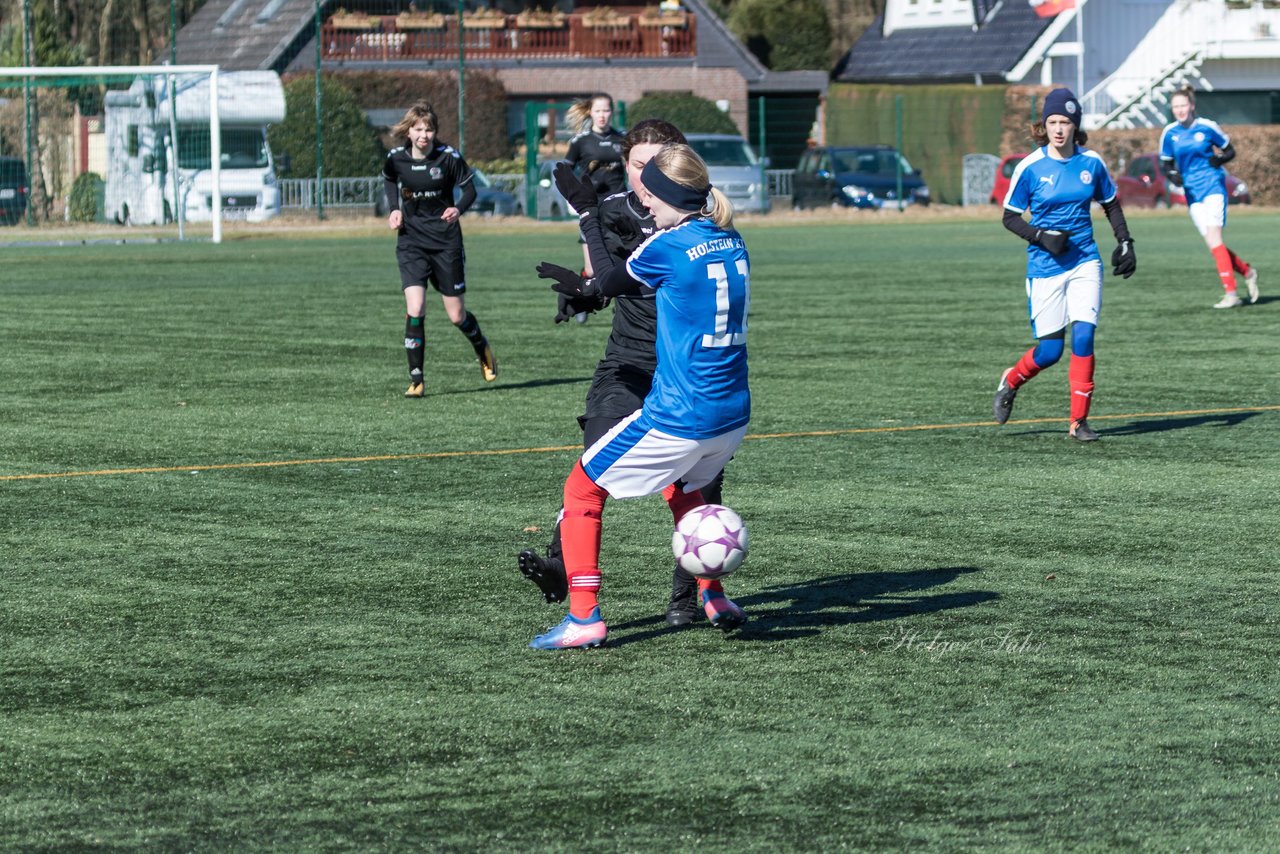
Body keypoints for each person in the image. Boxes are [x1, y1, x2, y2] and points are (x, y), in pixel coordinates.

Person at [527, 143, 751, 649]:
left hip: (682, 412)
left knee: (581, 489)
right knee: (686, 492)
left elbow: (608, 279)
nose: (645, 202)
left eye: (652, 193)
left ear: (672, 194)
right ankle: (712, 594)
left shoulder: (666, 246)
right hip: (733, 414)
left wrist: (587, 213)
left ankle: (585, 619)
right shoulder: (731, 239)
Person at [992, 88, 1136, 443]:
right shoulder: (1029, 167)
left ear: (1075, 126)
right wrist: (1041, 236)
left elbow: (1111, 204)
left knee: (1084, 334)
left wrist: (1125, 241)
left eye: (1065, 122)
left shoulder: (1091, 163)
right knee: (1051, 351)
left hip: (1085, 260)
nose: (1059, 129)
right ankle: (1011, 381)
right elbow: (1010, 218)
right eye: (1053, 122)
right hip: (1044, 267)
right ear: (1044, 125)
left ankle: (1078, 422)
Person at [383, 101, 496, 397]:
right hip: (411, 243)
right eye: (419, 129)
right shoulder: (395, 158)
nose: (424, 135)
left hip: (446, 243)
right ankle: (416, 378)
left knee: (456, 316)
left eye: (429, 129)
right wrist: (394, 209)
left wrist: (457, 209)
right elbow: (388, 180)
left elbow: (470, 190)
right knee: (415, 307)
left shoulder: (448, 158)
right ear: (408, 131)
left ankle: (481, 346)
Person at [1159, 86, 1259, 308]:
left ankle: (1231, 294)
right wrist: (1174, 177)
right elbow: (1165, 164)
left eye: (1183, 105)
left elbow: (1229, 150)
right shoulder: (1169, 133)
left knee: (1215, 239)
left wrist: (1219, 160)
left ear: (1192, 106)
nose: (1180, 110)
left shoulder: (1207, 126)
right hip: (1191, 193)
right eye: (1176, 106)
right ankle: (1247, 271)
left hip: (1213, 187)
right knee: (1214, 244)